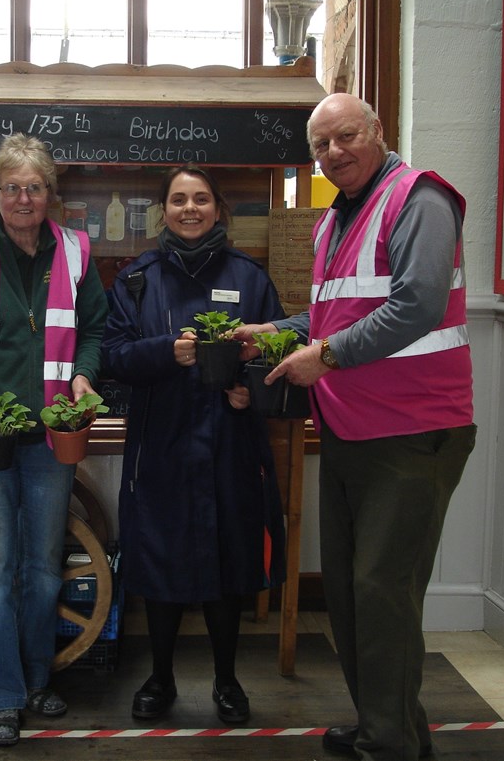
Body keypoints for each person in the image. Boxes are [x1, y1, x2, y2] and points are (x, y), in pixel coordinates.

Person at [237, 93, 476, 760]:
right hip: (350, 430)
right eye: (321, 144)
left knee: (381, 593)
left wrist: (329, 357)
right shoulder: (335, 221)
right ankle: (389, 727)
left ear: (377, 131)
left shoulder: (418, 199)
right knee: (347, 594)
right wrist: (276, 333)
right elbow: (330, 318)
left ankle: (387, 744)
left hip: (412, 433)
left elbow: (419, 303)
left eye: (346, 136)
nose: (334, 151)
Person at [101, 164, 287, 725]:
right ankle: (159, 679)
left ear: (217, 209)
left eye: (201, 199)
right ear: (163, 210)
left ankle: (227, 681)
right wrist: (166, 351)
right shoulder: (136, 278)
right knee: (159, 564)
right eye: (178, 199)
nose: (190, 209)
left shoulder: (250, 278)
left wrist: (247, 393)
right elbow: (112, 356)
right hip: (161, 446)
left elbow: (279, 353)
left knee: (228, 562)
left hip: (231, 447)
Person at [0, 133, 107, 747]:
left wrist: (85, 372)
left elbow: (94, 329)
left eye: (34, 187)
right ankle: (2, 697)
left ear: (50, 194)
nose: (23, 198)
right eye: (12, 187)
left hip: (53, 433)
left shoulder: (76, 251)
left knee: (41, 568)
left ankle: (37, 679)